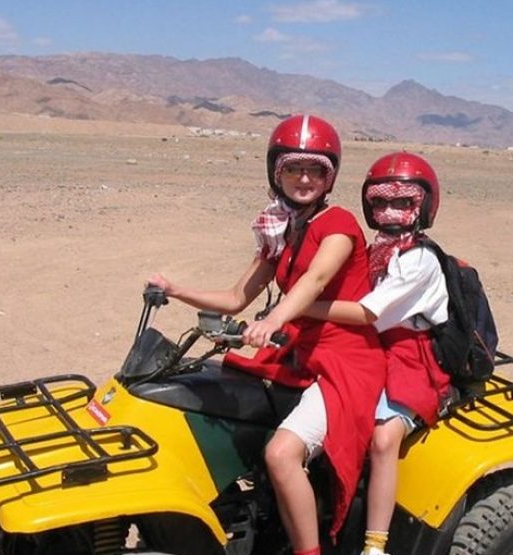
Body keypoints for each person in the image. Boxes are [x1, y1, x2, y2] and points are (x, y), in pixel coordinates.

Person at [148, 114, 385, 555]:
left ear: (329, 176)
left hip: (344, 362)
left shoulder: (339, 225)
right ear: (277, 172)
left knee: (281, 454)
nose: (304, 178)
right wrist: (176, 290)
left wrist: (274, 320)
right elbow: (238, 295)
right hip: (298, 352)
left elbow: (314, 282)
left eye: (315, 170)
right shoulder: (282, 230)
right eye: (293, 168)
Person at [304, 151, 451, 555]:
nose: (390, 211)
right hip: (371, 346)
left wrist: (299, 306)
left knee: (384, 438)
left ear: (422, 206)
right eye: (381, 202)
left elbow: (368, 312)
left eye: (402, 202)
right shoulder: (381, 249)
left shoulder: (418, 260)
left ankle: (374, 544)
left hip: (411, 356)